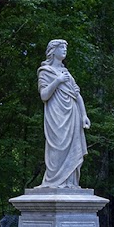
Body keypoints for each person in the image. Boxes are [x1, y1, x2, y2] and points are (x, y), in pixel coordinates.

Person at [38, 39, 89, 187]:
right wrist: (58, 80)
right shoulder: (45, 72)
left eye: (66, 47)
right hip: (56, 115)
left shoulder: (67, 72)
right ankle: (54, 182)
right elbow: (44, 95)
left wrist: (84, 115)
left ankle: (70, 183)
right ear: (52, 51)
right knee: (58, 146)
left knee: (72, 147)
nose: (65, 50)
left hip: (72, 114)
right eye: (62, 47)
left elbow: (77, 95)